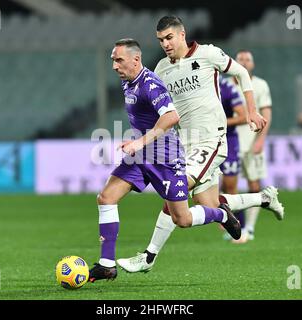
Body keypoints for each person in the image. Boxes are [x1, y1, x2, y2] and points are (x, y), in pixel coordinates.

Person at [117, 16, 284, 273]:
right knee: (209, 205)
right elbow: (159, 110)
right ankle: (264, 198)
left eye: (169, 38)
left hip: (212, 139)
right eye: (161, 40)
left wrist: (251, 110)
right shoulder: (161, 68)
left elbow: (240, 72)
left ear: (182, 34)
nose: (165, 44)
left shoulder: (207, 54)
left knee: (175, 191)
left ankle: (148, 257)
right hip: (183, 145)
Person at [88, 39, 241, 282]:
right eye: (113, 61)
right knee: (106, 197)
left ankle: (221, 215)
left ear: (135, 60)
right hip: (141, 157)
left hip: (166, 160)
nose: (115, 66)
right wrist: (138, 146)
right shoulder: (128, 82)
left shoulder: (150, 84)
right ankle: (107, 265)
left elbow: (171, 116)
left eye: (119, 60)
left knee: (182, 219)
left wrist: (139, 142)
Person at [232, 50, 273, 242]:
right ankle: (235, 227)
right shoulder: (226, 86)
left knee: (254, 185)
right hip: (230, 144)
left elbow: (266, 113)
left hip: (251, 144)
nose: (244, 62)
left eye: (248, 59)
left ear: (253, 64)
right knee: (227, 186)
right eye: (240, 60)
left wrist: (261, 140)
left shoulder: (260, 85)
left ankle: (250, 228)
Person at [217, 76, 249, 243]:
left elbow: (243, 116)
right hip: (204, 142)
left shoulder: (226, 87)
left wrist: (220, 123)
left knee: (230, 186)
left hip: (228, 141)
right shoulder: (196, 83)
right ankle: (224, 219)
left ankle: (241, 228)